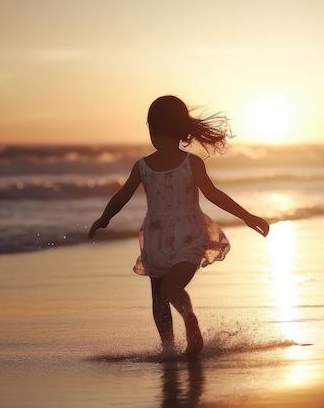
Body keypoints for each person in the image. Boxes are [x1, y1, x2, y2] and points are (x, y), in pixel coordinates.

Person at [88, 95, 269, 357]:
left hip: (159, 237)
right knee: (167, 291)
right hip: (185, 234)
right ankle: (173, 343)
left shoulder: (144, 166)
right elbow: (214, 194)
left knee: (161, 294)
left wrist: (104, 219)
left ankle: (176, 337)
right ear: (182, 130)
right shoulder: (189, 162)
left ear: (152, 129)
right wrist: (247, 216)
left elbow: (121, 197)